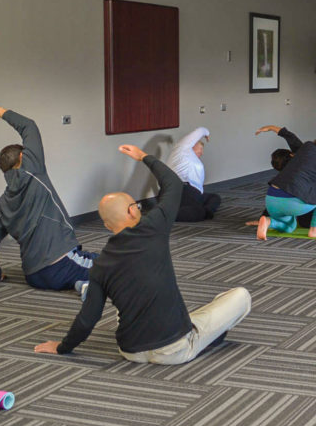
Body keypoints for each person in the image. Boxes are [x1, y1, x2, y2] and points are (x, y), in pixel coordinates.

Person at [32, 145, 251, 364]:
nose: (139, 208)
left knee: (126, 295)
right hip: (173, 350)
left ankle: (192, 330)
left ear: (108, 225)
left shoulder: (101, 264)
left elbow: (88, 318)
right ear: (131, 211)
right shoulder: (153, 227)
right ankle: (201, 336)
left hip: (131, 351)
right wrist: (144, 157)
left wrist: (62, 347)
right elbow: (173, 184)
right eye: (136, 205)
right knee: (240, 296)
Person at [0, 104, 96, 295]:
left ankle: (80, 282)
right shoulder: (33, 170)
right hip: (61, 264)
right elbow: (29, 126)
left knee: (100, 258)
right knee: (117, 267)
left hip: (34, 276)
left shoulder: (2, 205)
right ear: (23, 157)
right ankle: (85, 286)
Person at [166, 127, 221, 222]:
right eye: (200, 149)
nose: (202, 153)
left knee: (215, 198)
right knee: (195, 212)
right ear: (191, 146)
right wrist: (206, 133)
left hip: (194, 192)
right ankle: (166, 215)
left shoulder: (193, 161)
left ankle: (203, 212)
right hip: (183, 189)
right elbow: (200, 130)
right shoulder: (182, 151)